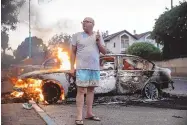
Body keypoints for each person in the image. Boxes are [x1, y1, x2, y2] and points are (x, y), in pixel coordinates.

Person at [71, 17, 107, 125]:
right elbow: (72, 52)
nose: (84, 23)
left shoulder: (98, 36)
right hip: (82, 68)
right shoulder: (76, 36)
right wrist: (72, 67)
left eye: (87, 21)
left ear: (92, 24)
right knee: (81, 91)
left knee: (91, 90)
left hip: (94, 68)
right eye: (83, 21)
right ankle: (79, 116)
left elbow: (104, 51)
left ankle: (89, 113)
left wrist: (98, 42)